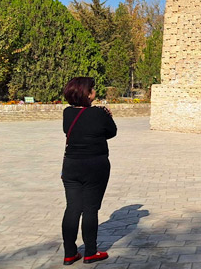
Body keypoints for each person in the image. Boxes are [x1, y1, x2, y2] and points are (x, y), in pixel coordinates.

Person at [61, 77, 117, 265]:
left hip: (71, 166)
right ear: (87, 94)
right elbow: (111, 132)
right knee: (90, 209)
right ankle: (90, 252)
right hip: (95, 165)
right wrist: (107, 116)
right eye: (92, 89)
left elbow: (68, 130)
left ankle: (70, 253)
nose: (95, 92)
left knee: (73, 208)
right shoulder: (99, 114)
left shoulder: (67, 113)